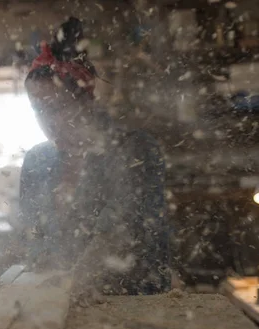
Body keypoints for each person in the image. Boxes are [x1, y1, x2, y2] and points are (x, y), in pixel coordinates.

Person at [19, 17, 169, 296]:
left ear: (86, 101)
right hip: (56, 302)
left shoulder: (132, 149)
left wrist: (71, 285)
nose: (48, 122)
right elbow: (33, 238)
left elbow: (122, 234)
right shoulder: (37, 161)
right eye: (38, 110)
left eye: (58, 107)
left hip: (133, 299)